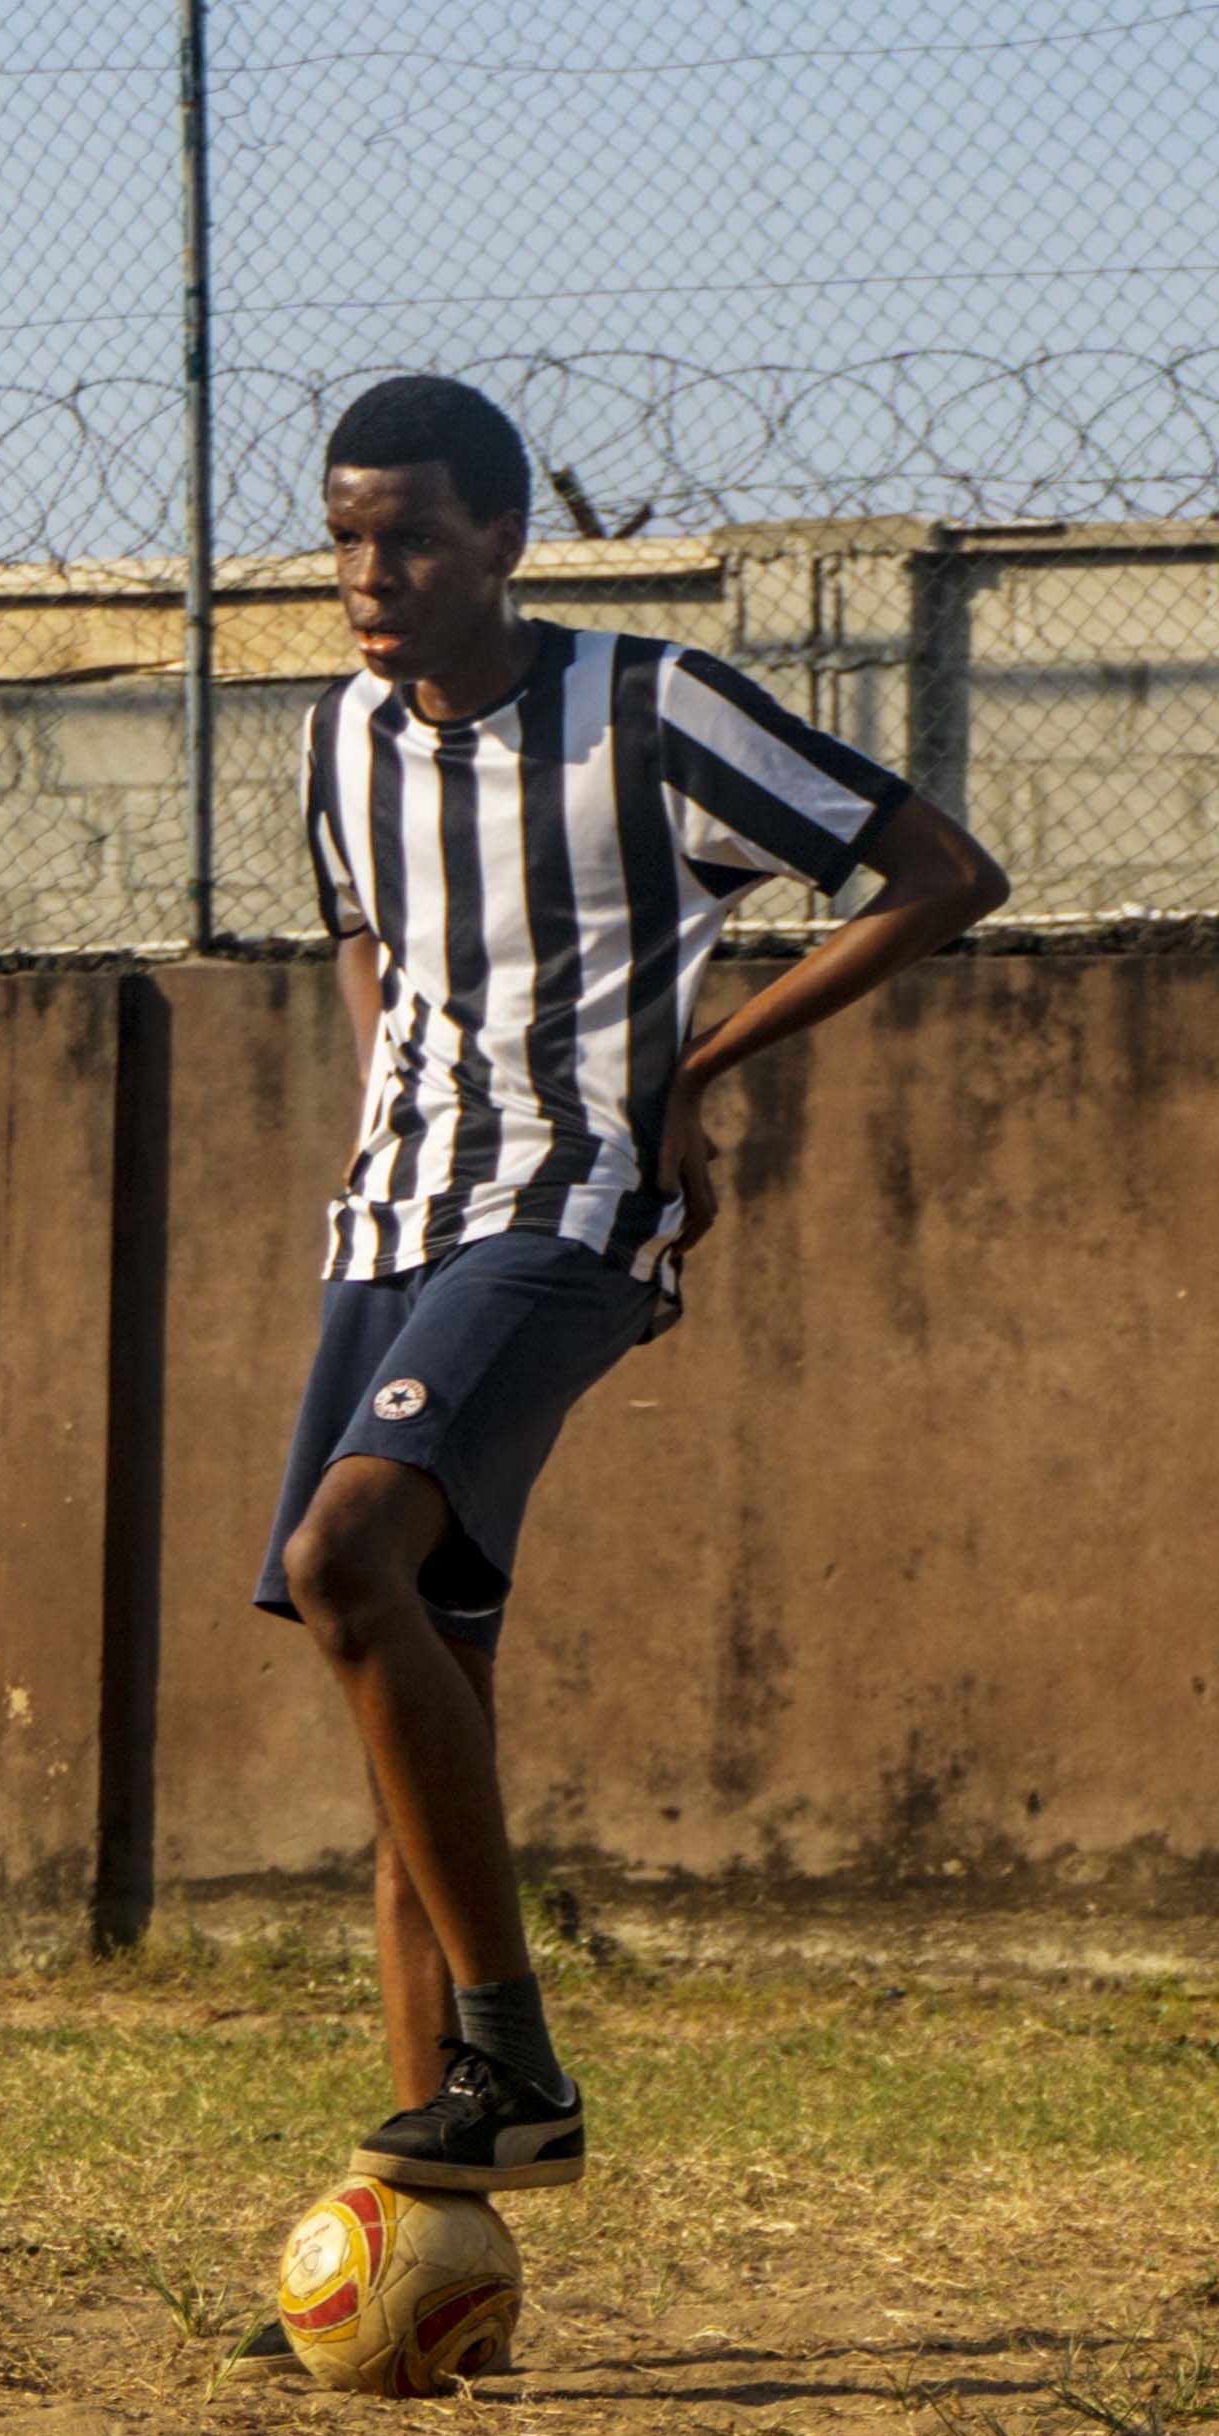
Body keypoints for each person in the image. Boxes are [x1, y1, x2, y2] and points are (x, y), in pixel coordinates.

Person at [254, 373, 1008, 2202]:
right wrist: (382, 1098)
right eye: (350, 535)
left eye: (415, 534)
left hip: (575, 1197)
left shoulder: (649, 708)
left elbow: (935, 872)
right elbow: (366, 928)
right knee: (407, 1714)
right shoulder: (338, 737)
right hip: (395, 1223)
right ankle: (442, 2246)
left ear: (508, 537)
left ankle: (513, 2055)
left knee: (342, 1560)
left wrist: (695, 1073)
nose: (376, 572)